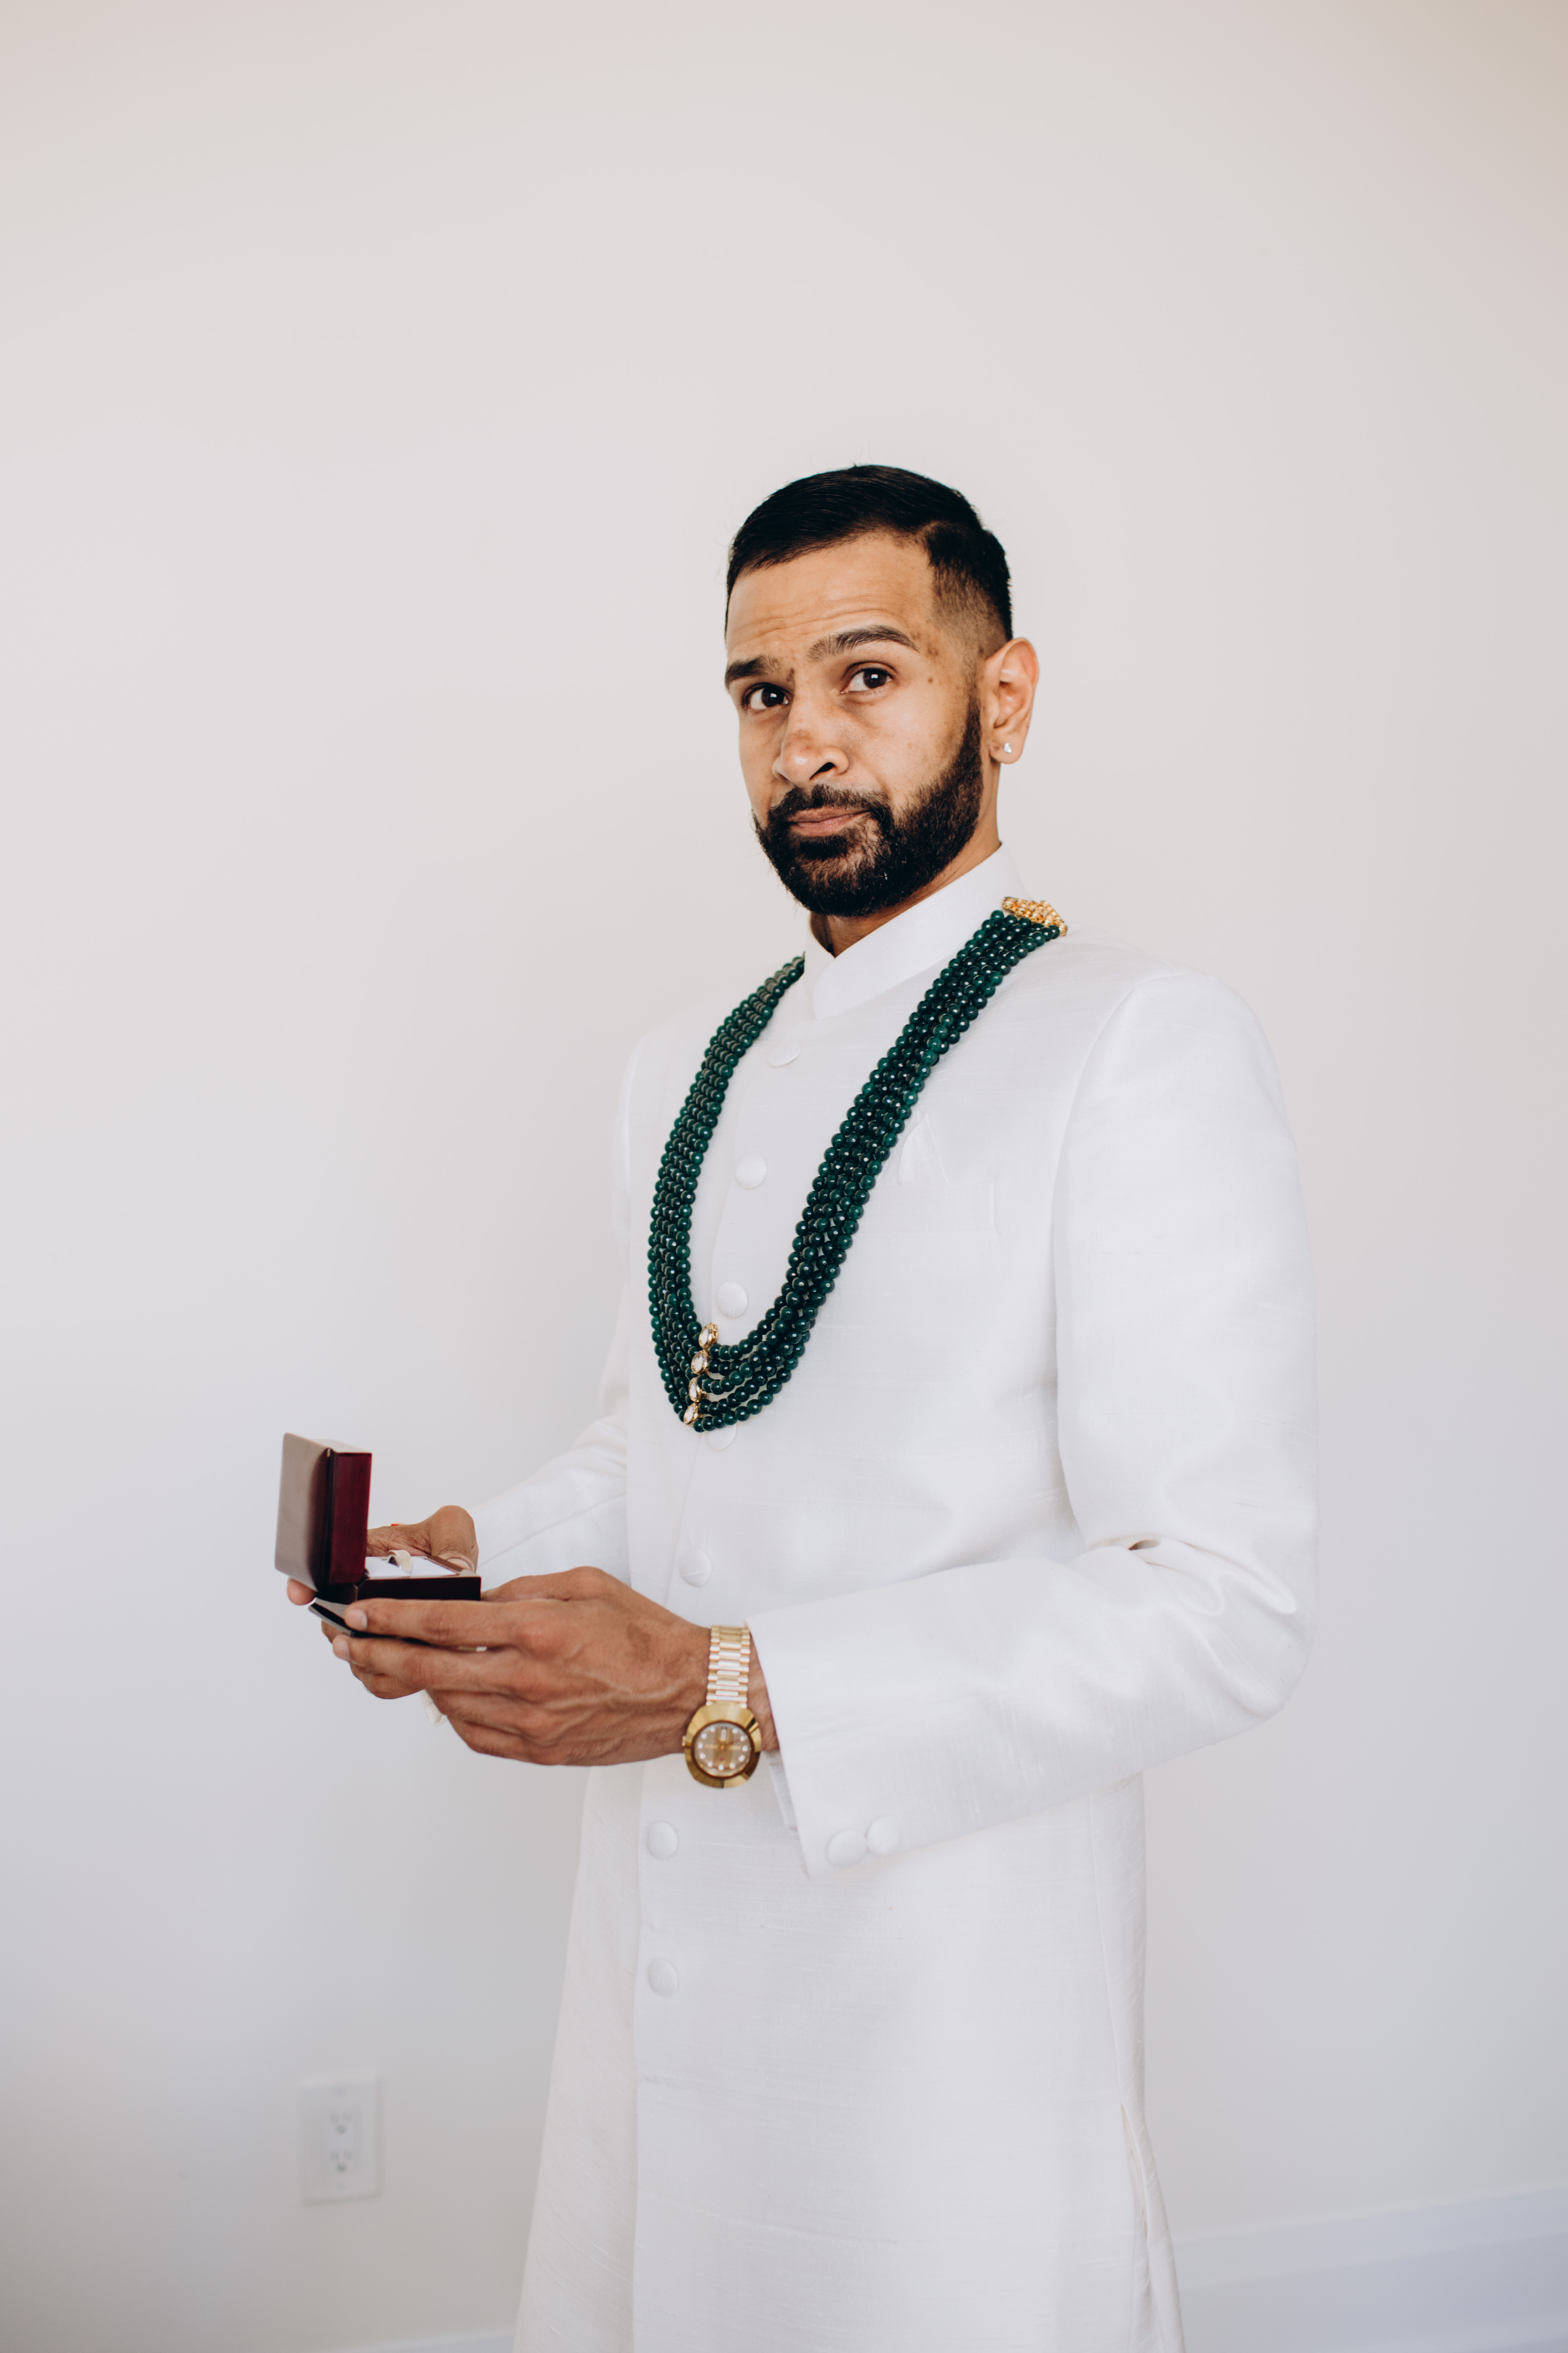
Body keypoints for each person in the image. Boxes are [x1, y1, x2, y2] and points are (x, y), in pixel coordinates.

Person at [289, 464, 1316, 2353]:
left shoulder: (1133, 1042)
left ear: (1003, 697)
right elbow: (664, 1432)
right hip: (655, 1973)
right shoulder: (687, 1062)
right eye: (761, 693)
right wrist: (473, 1559)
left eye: (866, 673)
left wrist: (724, 1686)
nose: (805, 740)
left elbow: (1220, 1604)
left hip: (946, 2003)